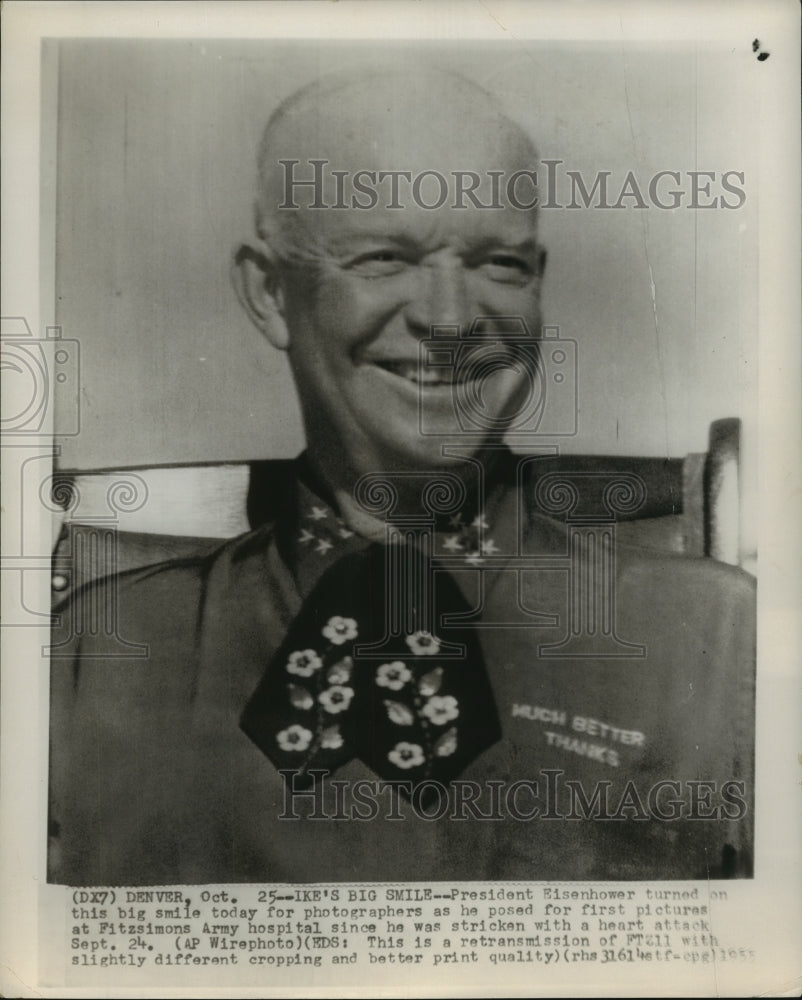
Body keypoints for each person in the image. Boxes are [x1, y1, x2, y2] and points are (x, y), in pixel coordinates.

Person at [48, 66, 755, 886]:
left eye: (499, 264)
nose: (451, 320)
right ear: (271, 292)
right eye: (385, 258)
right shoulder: (92, 657)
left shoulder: (718, 642)